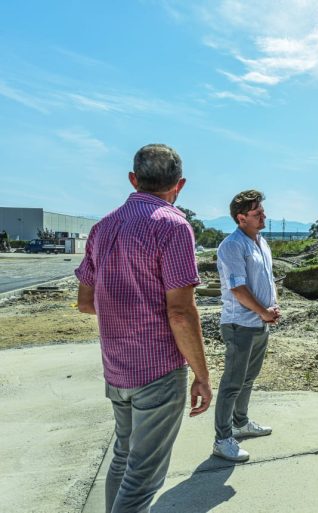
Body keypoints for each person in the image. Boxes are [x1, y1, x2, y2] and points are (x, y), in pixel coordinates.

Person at [75, 144, 212, 513]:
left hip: (116, 369)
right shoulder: (173, 225)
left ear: (133, 180)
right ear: (178, 185)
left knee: (123, 456)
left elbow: (86, 302)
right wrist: (202, 375)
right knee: (143, 478)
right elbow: (181, 312)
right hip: (156, 370)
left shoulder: (102, 227)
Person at [212, 189, 280, 462]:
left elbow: (267, 280)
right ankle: (222, 438)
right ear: (241, 218)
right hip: (239, 324)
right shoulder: (232, 245)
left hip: (260, 322)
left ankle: (240, 423)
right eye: (257, 213)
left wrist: (272, 307)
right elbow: (238, 289)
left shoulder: (261, 242)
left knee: (248, 379)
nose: (263, 216)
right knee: (232, 383)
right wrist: (264, 311)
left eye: (262, 211)